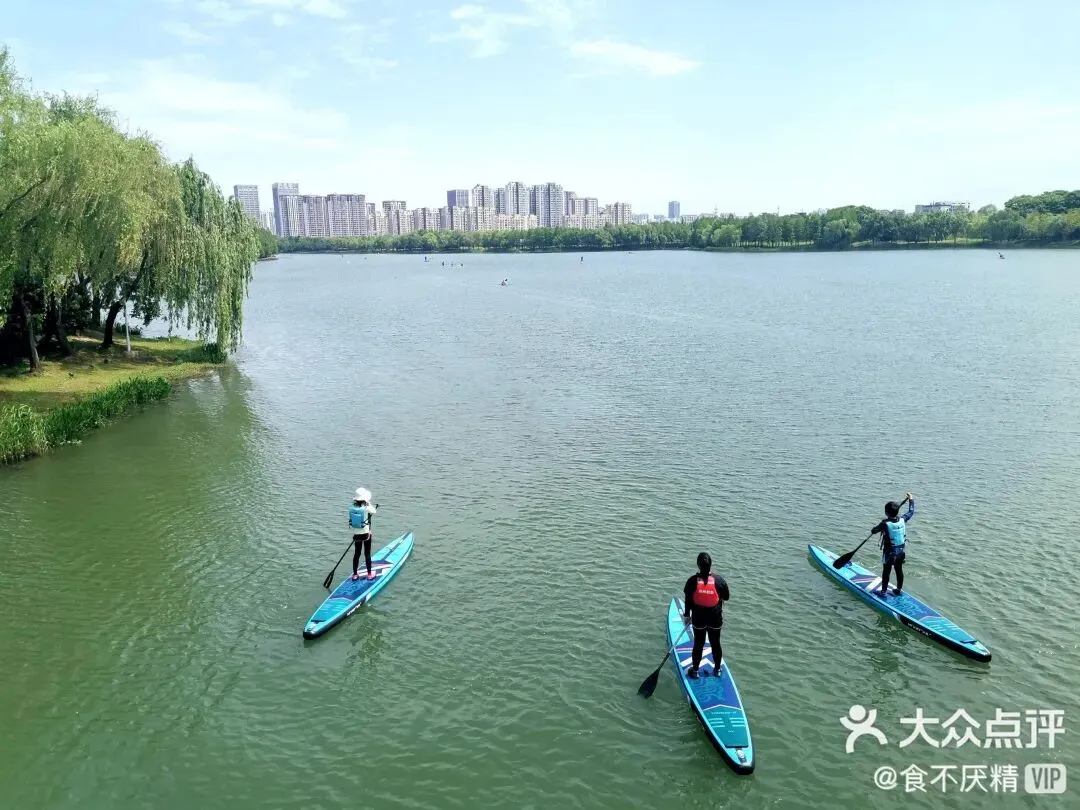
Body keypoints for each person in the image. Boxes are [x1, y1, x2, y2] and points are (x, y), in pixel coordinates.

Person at [682, 553, 730, 678]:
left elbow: (688, 600)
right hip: (715, 618)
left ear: (698, 565)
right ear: (710, 565)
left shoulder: (692, 581)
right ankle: (717, 669)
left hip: (698, 619)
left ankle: (695, 671)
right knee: (715, 643)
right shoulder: (719, 580)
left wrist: (687, 616)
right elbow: (726, 597)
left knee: (699, 643)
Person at [870, 493, 915, 597]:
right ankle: (898, 590)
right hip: (901, 552)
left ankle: (883, 592)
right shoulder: (903, 519)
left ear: (886, 512)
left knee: (886, 571)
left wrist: (875, 528)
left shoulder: (885, 523)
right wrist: (911, 499)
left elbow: (874, 531)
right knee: (899, 570)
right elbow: (911, 511)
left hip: (889, 553)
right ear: (897, 512)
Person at [347, 487, 378, 580]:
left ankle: (355, 575)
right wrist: (368, 503)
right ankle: (369, 575)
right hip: (366, 534)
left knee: (357, 554)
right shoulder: (366, 507)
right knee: (367, 554)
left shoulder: (351, 507)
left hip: (356, 535)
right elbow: (374, 511)